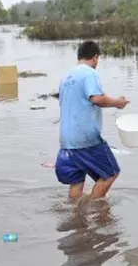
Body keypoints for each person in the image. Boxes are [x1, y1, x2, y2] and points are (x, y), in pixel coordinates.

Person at [55, 40, 129, 201]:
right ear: (95, 58)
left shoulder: (66, 77)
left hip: (67, 140)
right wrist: (117, 103)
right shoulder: (89, 73)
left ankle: (76, 219)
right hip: (86, 138)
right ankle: (92, 209)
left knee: (76, 182)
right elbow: (96, 98)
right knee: (111, 173)